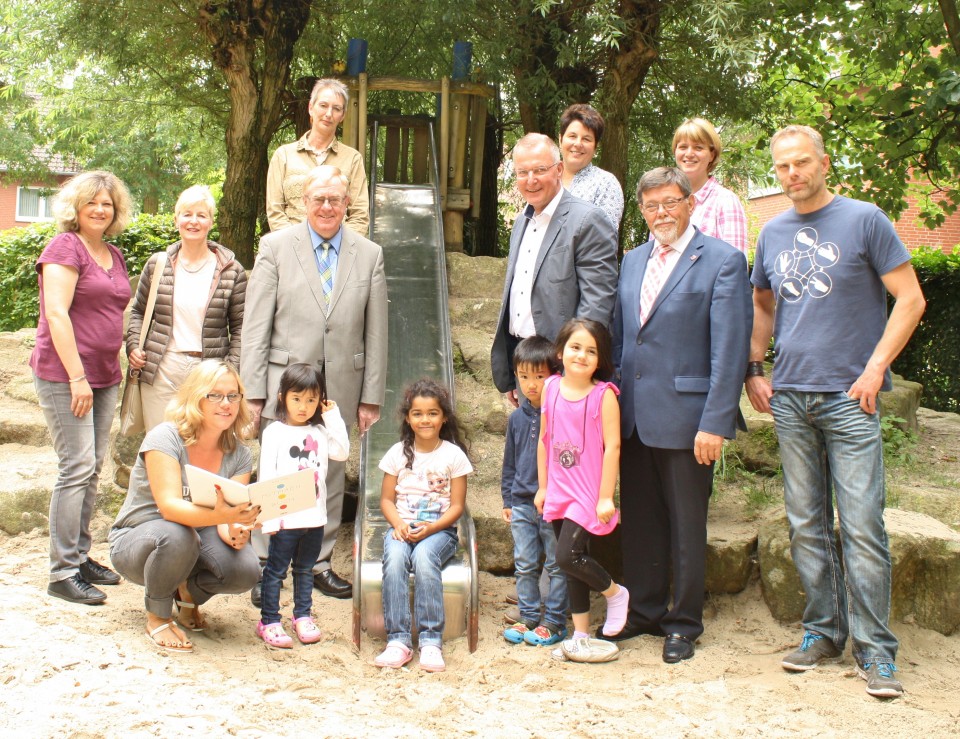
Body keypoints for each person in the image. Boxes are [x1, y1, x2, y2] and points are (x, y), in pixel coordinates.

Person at [746, 125, 925, 699]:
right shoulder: (771, 233)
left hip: (851, 398)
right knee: (805, 524)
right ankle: (823, 631)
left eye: (801, 163)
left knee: (863, 526)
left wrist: (875, 368)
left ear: (823, 163)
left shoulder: (865, 219)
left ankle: (875, 651)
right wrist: (755, 367)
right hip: (792, 398)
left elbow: (911, 298)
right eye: (781, 167)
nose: (791, 174)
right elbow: (763, 303)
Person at [609, 166, 752, 663]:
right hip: (632, 418)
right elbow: (624, 339)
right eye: (651, 205)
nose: (660, 213)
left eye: (669, 202)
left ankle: (684, 623)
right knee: (642, 521)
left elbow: (730, 350)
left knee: (687, 526)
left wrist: (715, 421)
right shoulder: (631, 261)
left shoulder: (723, 261)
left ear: (690, 203)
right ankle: (645, 612)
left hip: (691, 420)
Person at [242, 164, 388, 601]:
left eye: (335, 199)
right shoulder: (274, 247)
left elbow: (376, 331)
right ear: (304, 202)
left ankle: (319, 562)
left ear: (348, 204)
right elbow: (255, 325)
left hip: (340, 387)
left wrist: (371, 396)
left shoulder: (370, 253)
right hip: (282, 385)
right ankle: (267, 562)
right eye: (319, 199)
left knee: (330, 474)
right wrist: (253, 391)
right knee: (275, 474)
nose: (327, 207)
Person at [30, 170, 133, 605]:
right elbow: (57, 314)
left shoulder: (113, 253)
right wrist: (76, 377)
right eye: (92, 202)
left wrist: (127, 353)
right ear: (76, 207)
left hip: (106, 375)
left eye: (107, 203)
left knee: (92, 468)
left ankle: (80, 554)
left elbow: (117, 312)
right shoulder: (64, 247)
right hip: (64, 374)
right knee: (76, 466)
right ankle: (62, 571)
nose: (99, 209)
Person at [109, 361, 261, 653]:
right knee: (177, 534)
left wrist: (237, 529)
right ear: (195, 397)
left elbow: (225, 520)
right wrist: (227, 514)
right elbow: (169, 508)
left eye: (233, 396)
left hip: (197, 538)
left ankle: (188, 595)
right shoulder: (165, 437)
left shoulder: (239, 454)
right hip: (140, 541)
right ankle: (158, 615)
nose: (226, 403)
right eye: (214, 395)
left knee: (246, 568)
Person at [491, 133, 619, 405]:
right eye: (522, 172)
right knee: (530, 446)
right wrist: (519, 374)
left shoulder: (587, 220)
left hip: (563, 369)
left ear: (559, 169)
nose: (531, 180)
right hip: (524, 363)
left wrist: (575, 371)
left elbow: (597, 304)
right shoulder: (521, 223)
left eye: (539, 170)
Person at [535, 319, 628, 662]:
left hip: (587, 493)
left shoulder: (604, 396)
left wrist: (606, 496)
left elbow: (613, 447)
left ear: (600, 360)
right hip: (559, 489)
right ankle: (581, 636)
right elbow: (545, 439)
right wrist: (543, 486)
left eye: (591, 351)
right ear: (560, 352)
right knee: (570, 565)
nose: (581, 355)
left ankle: (615, 593)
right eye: (575, 347)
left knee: (566, 556)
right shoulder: (551, 388)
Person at [127, 185, 246, 431]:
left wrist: (229, 370)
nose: (194, 221)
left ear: (211, 222)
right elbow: (138, 312)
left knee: (203, 446)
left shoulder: (232, 271)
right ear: (176, 219)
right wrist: (133, 345)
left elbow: (241, 328)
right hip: (161, 369)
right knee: (161, 444)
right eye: (187, 214)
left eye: (201, 215)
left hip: (208, 372)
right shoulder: (157, 264)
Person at [374, 379, 473, 673]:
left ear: (443, 417)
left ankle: (430, 641)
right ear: (408, 417)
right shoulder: (397, 453)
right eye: (417, 413)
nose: (425, 419)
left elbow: (456, 506)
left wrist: (431, 529)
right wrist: (399, 524)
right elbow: (386, 500)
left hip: (439, 531)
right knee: (394, 559)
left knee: (424, 557)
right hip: (402, 526)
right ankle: (398, 640)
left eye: (432, 413)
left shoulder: (453, 456)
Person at [256, 363, 350, 648]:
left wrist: (331, 414)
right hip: (285, 518)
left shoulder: (320, 432)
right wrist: (269, 520)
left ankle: (302, 615)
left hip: (314, 516)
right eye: (297, 398)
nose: (303, 406)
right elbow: (267, 475)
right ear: (283, 396)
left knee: (305, 568)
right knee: (275, 570)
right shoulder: (274, 432)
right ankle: (269, 619)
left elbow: (342, 451)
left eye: (311, 400)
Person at [501, 336, 568, 647]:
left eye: (539, 377)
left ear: (554, 375)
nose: (531, 385)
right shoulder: (516, 418)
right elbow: (510, 463)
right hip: (523, 503)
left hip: (555, 504)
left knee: (556, 563)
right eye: (524, 377)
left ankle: (554, 621)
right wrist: (508, 499)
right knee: (525, 561)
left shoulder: (561, 415)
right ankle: (528, 615)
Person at [266, 78, 369, 235]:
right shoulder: (284, 156)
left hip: (337, 254)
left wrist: (333, 248)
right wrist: (298, 246)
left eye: (336, 109)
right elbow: (275, 212)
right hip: (291, 251)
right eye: (323, 105)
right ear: (310, 108)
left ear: (342, 116)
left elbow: (360, 217)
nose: (329, 114)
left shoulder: (353, 159)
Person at [672, 118, 748, 254]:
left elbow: (735, 268)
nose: (689, 153)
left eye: (698, 147)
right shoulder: (665, 203)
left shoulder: (725, 202)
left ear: (712, 155)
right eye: (683, 147)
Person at [558, 103, 624, 228]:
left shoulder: (605, 183)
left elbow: (603, 238)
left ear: (595, 147)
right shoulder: (546, 178)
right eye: (572, 136)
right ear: (560, 139)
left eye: (586, 139)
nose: (578, 144)